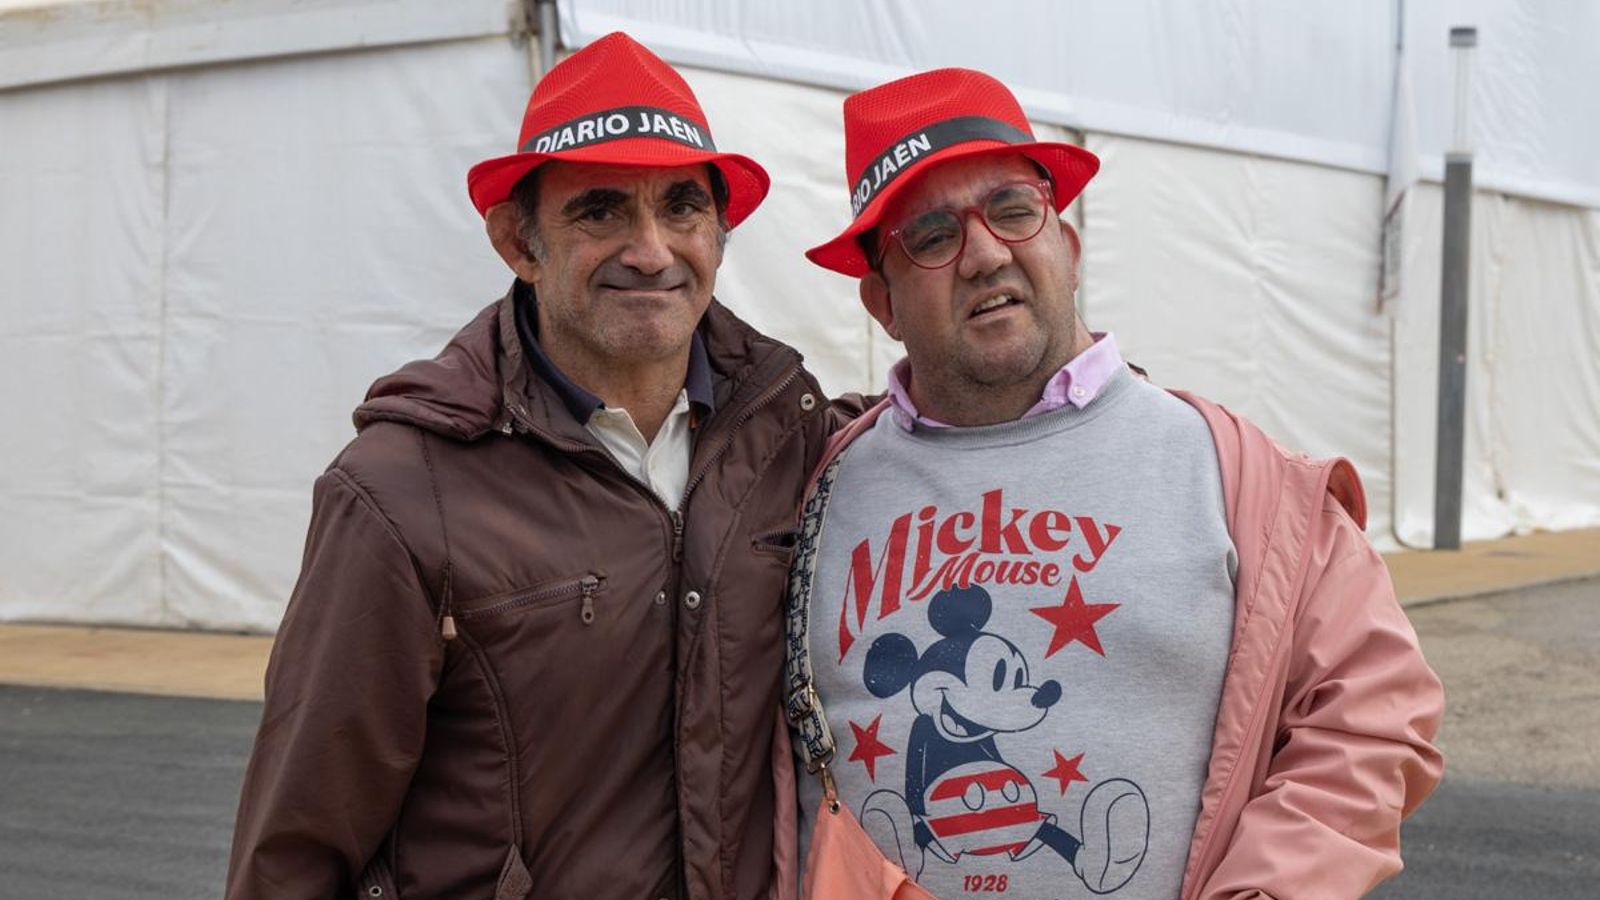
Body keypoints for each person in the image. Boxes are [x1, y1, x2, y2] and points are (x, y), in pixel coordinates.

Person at [780, 68, 1444, 900]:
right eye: (932, 235)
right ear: (881, 301)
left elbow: (1374, 716)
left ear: (1068, 247)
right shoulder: (809, 493)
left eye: (1013, 210)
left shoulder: (1238, 476)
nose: (986, 254)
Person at [225, 33, 835, 900]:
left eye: (683, 207)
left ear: (721, 233)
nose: (652, 250)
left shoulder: (787, 433)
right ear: (519, 241)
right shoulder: (400, 490)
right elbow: (296, 843)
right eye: (601, 212)